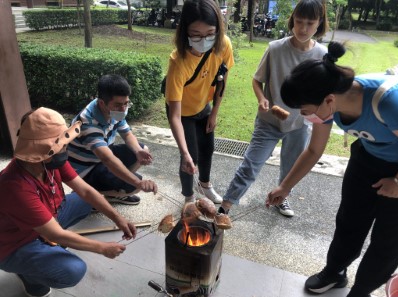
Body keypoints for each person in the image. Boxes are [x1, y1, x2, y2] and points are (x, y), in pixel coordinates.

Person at [267, 42, 398, 297]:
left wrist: (397, 181)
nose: (306, 118)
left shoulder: (388, 102)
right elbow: (314, 150)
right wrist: (285, 186)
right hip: (367, 158)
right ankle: (335, 271)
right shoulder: (329, 102)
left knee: (389, 238)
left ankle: (362, 290)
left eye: (306, 112)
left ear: (328, 100)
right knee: (349, 220)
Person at [0, 107, 157, 297]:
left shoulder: (49, 160)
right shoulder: (15, 186)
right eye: (61, 145)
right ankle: (28, 275)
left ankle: (45, 248)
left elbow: (86, 190)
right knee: (73, 270)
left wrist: (118, 218)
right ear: (39, 150)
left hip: (44, 221)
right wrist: (102, 248)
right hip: (14, 243)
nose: (65, 149)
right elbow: (55, 233)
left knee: (83, 202)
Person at [219, 0, 329, 217]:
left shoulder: (322, 55)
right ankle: (226, 206)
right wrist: (261, 99)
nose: (303, 28)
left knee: (290, 168)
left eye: (310, 23)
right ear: (292, 21)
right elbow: (257, 80)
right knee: (251, 164)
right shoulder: (275, 48)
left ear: (319, 24)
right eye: (299, 22)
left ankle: (282, 198)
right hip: (268, 121)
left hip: (299, 123)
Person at [164, 0, 234, 204]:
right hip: (182, 112)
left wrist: (214, 113)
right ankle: (189, 197)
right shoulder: (179, 61)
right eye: (196, 34)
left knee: (207, 148)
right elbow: (174, 115)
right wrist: (184, 151)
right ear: (185, 30)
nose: (203, 40)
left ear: (218, 30)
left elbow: (222, 81)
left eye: (210, 33)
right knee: (190, 157)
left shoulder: (223, 46)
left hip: (204, 106)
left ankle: (205, 185)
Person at [68, 74, 156, 205]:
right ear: (102, 103)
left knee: (143, 149)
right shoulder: (88, 123)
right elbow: (108, 159)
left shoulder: (116, 109)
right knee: (134, 186)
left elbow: (127, 134)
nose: (123, 109)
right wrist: (137, 182)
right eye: (119, 105)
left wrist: (137, 151)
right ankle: (87, 195)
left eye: (126, 103)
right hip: (86, 169)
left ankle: (116, 191)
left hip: (102, 155)